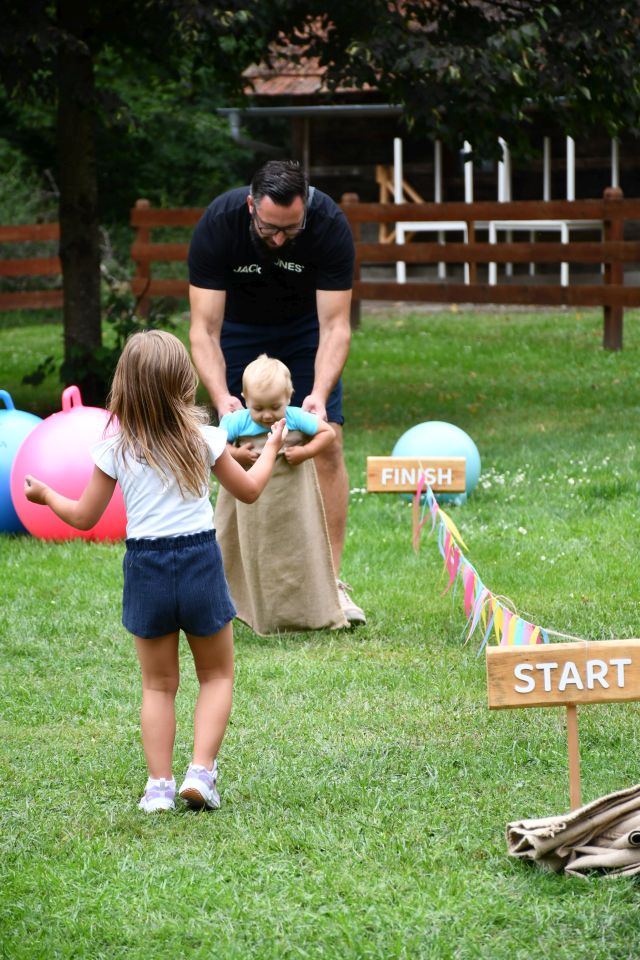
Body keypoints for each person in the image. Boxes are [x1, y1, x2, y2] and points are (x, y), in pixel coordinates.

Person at [23, 330, 285, 814]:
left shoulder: (115, 449)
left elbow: (83, 517)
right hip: (199, 561)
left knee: (158, 685)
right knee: (217, 675)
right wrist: (270, 449)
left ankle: (159, 787)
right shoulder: (205, 439)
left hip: (146, 567)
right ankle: (200, 773)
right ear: (184, 384)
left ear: (125, 386)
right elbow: (248, 491)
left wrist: (45, 496)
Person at [188, 158, 366, 624]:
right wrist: (221, 397)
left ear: (305, 207)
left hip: (306, 330)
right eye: (270, 228)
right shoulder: (219, 224)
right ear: (251, 206)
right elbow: (204, 329)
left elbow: (335, 326)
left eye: (291, 228)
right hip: (239, 329)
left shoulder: (328, 225)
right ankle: (226, 584)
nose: (281, 239)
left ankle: (330, 584)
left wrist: (319, 394)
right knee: (229, 447)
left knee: (328, 441)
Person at [216, 354, 348, 635]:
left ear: (289, 397)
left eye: (275, 406)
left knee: (293, 548)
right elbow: (217, 447)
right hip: (252, 505)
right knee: (252, 551)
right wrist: (237, 454)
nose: (267, 415)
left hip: (289, 502)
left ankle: (305, 608)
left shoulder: (295, 417)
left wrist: (305, 451)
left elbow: (327, 433)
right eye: (258, 408)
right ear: (244, 399)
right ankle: (244, 606)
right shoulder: (237, 421)